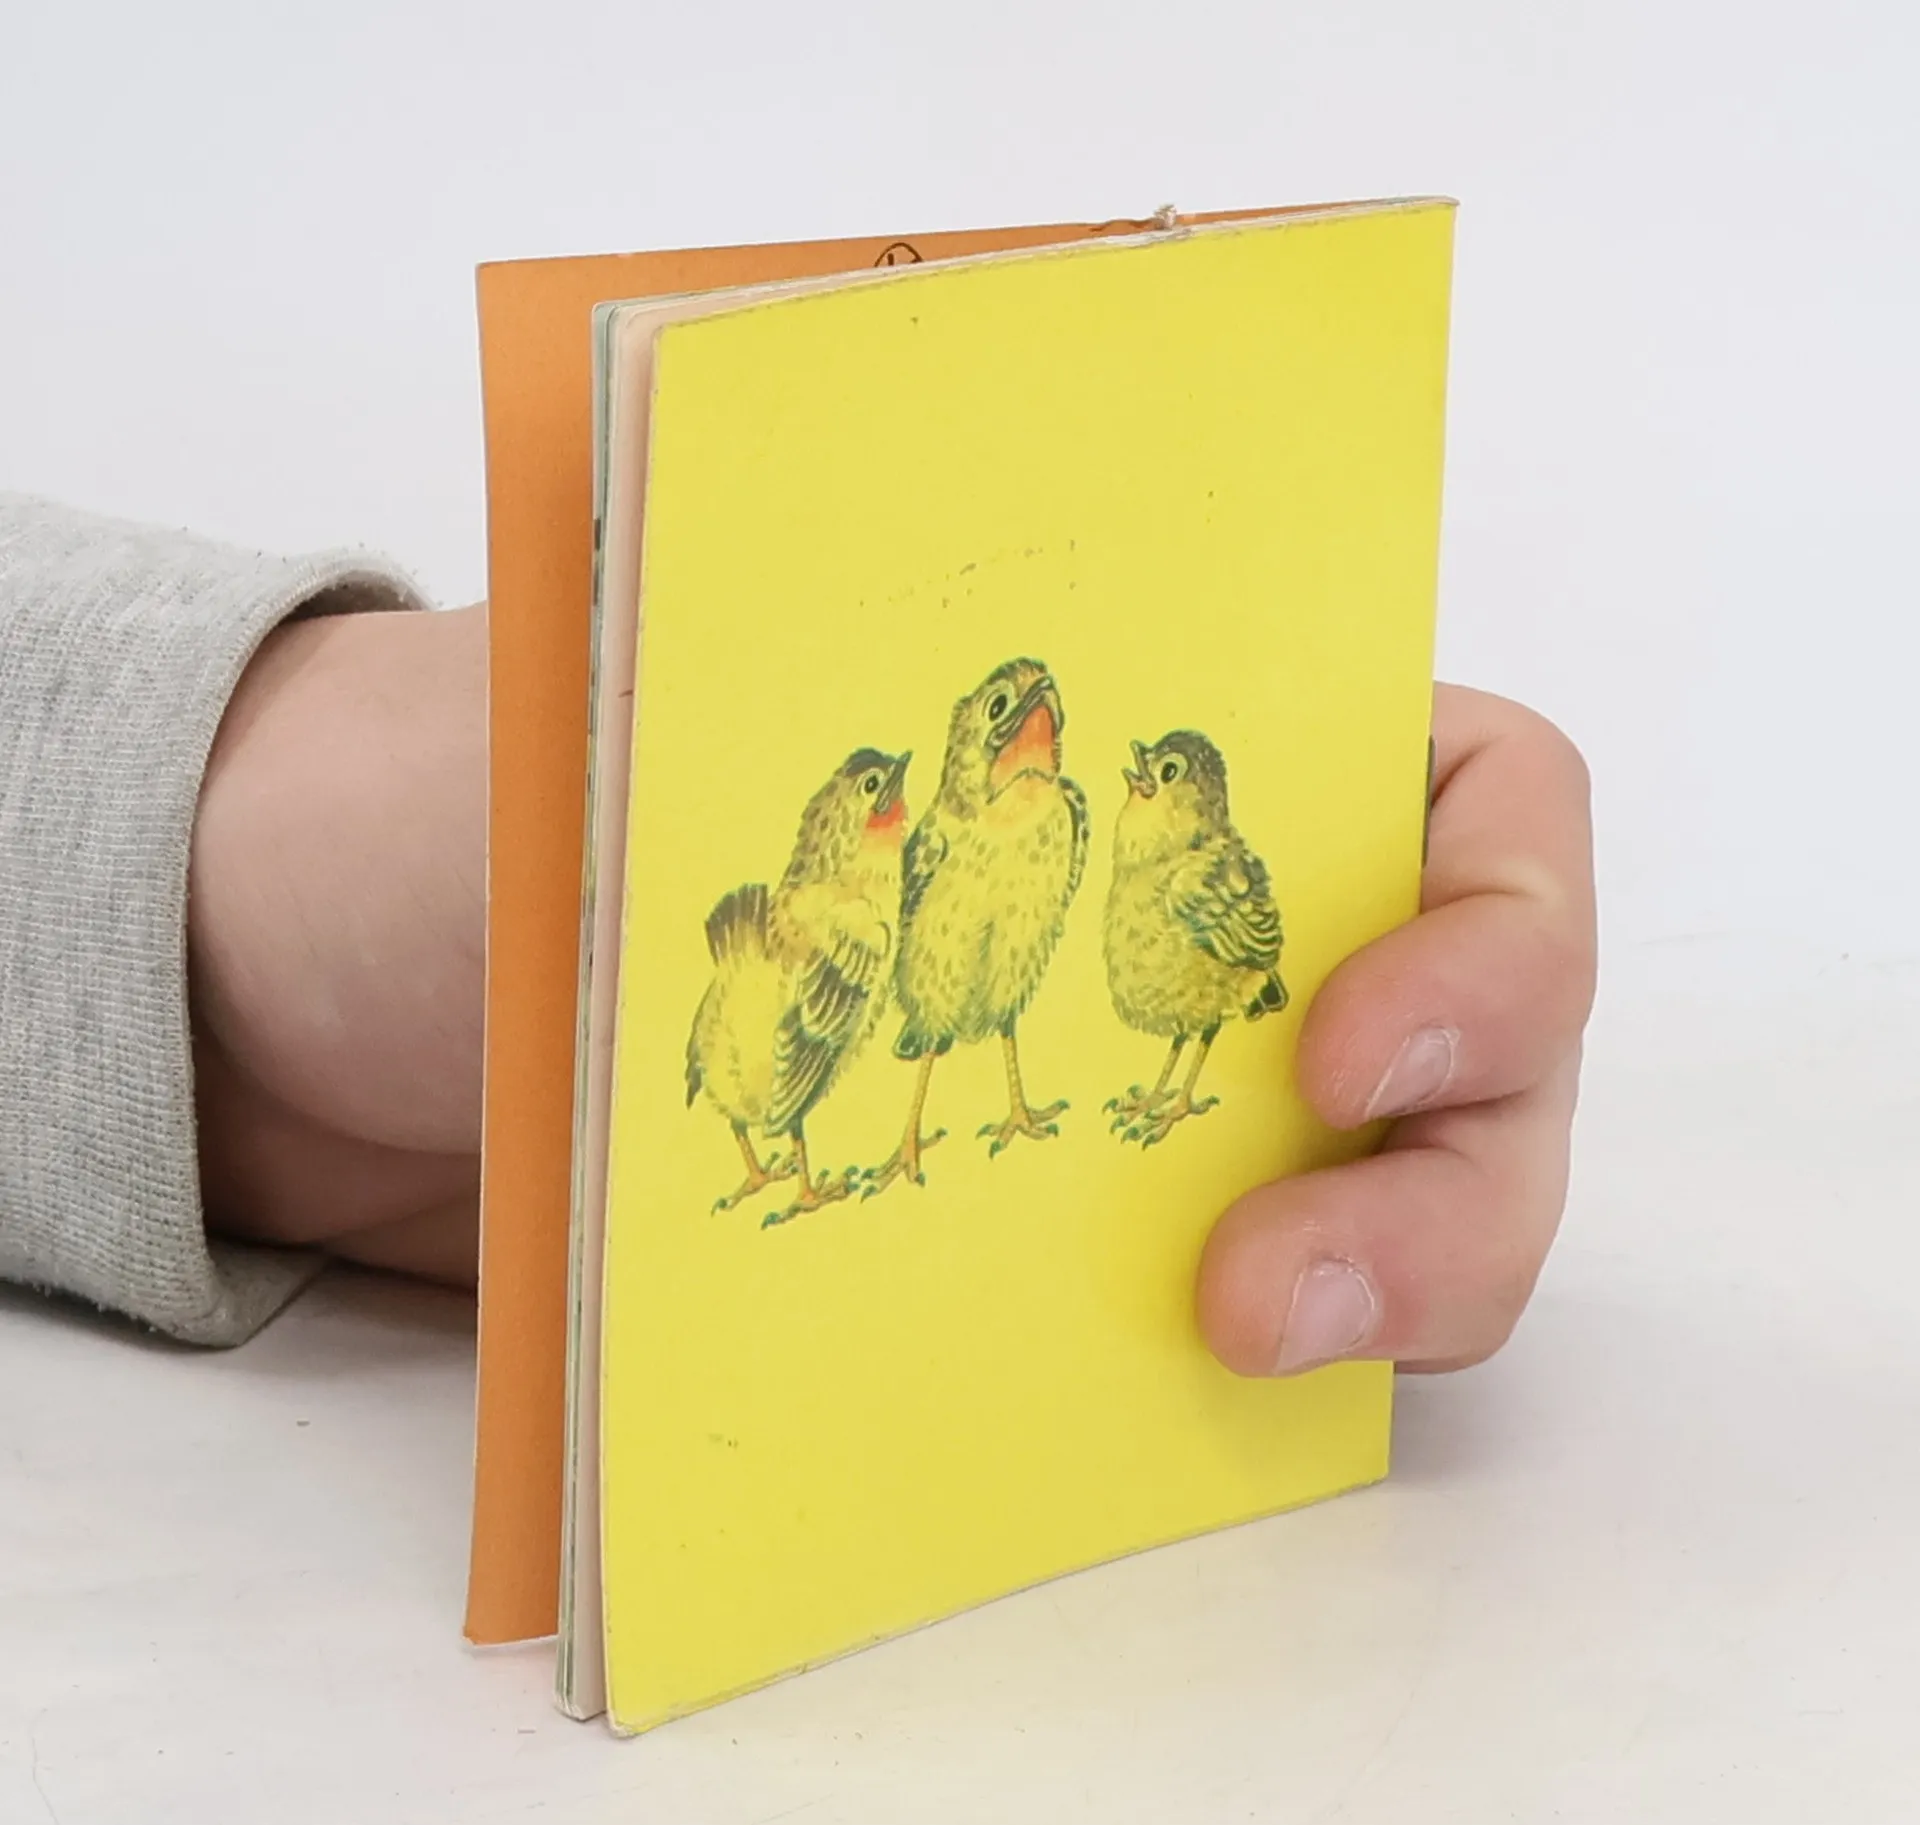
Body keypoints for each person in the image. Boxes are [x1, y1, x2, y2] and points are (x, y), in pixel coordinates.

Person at [0, 494, 1594, 1371]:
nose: (1044, 739)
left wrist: (216, 871)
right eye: (1011, 722)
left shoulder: (1067, 826)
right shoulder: (932, 846)